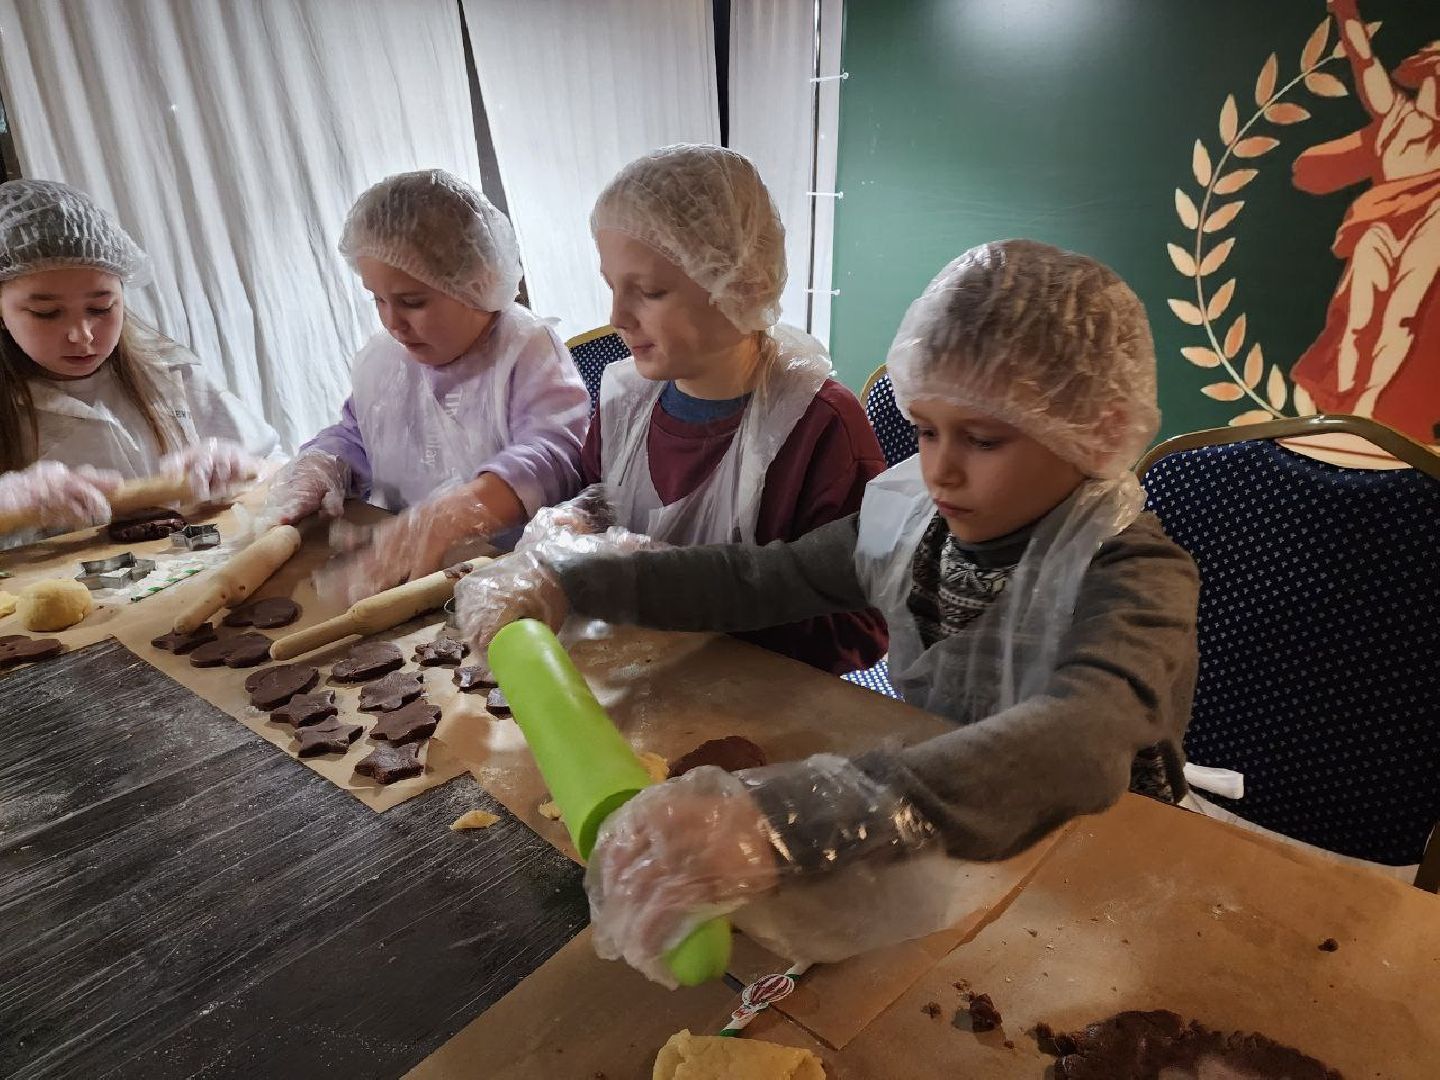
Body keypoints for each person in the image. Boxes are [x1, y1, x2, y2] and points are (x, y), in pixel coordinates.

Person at [456, 239, 1200, 985]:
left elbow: (1081, 737)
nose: (940, 470)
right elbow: (756, 579)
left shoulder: (1135, 575)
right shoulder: (917, 526)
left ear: (1099, 432)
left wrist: (803, 816)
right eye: (927, 429)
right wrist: (570, 579)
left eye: (982, 440)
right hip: (943, 825)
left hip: (1106, 867)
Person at [554, 143, 887, 674]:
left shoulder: (819, 427)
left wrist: (690, 593)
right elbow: (592, 509)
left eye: (650, 291)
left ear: (741, 285)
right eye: (612, 287)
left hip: (758, 704)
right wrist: (563, 540)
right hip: (632, 684)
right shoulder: (624, 406)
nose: (617, 316)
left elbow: (861, 627)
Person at [258, 170, 589, 600]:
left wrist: (456, 514)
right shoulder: (387, 359)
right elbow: (359, 434)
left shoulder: (524, 351)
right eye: (377, 299)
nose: (392, 321)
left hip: (510, 583)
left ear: (477, 283)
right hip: (410, 576)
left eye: (412, 302)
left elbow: (555, 453)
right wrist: (324, 462)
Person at [0, 180, 278, 537]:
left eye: (101, 307)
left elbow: (277, 469)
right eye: (47, 313)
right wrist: (10, 504)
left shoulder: (167, 372)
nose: (82, 335)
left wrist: (242, 467)